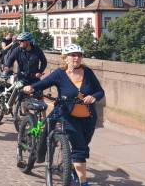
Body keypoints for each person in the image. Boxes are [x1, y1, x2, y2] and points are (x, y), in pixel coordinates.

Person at [22, 44, 104, 186]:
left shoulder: (88, 73)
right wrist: (31, 87)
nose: (76, 58)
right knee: (80, 149)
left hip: (88, 117)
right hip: (67, 114)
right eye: (72, 55)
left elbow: (100, 91)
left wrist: (94, 97)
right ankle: (83, 182)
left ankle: (72, 164)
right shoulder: (59, 73)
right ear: (65, 58)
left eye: (79, 55)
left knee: (83, 144)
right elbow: (44, 83)